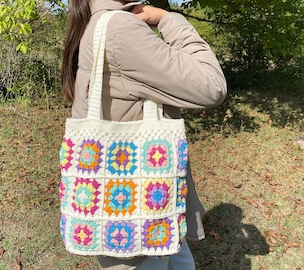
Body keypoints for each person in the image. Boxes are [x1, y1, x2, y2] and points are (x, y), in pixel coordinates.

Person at [61, 0, 227, 269]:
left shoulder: (95, 21)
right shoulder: (120, 27)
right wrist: (167, 19)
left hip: (147, 205)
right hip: (138, 215)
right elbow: (212, 85)